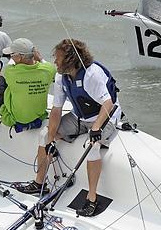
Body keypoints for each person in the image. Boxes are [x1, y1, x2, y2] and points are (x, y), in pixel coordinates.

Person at [13, 39, 121, 217]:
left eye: (57, 58)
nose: (54, 61)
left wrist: (95, 128)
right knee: (44, 135)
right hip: (79, 117)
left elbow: (108, 103)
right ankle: (39, 183)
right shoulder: (60, 76)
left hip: (105, 117)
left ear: (71, 60)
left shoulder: (91, 75)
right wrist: (51, 138)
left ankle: (92, 198)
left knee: (92, 148)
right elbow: (56, 109)